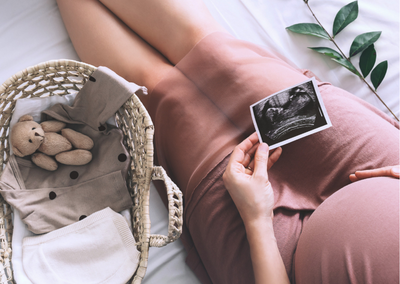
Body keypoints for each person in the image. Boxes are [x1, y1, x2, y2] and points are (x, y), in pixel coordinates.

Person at [56, 0, 399, 283]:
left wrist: (256, 218)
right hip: (372, 168)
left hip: (276, 253)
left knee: (158, 91)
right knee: (212, 50)